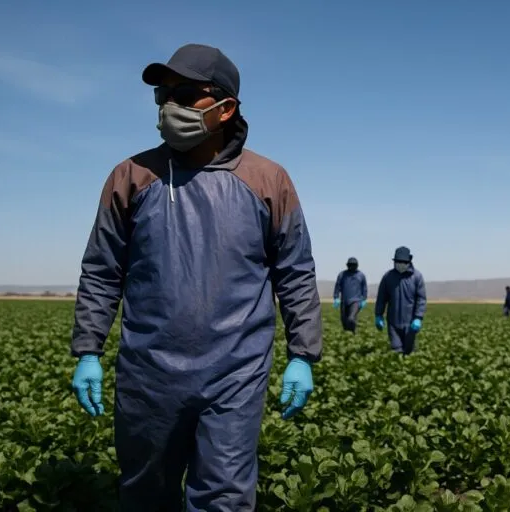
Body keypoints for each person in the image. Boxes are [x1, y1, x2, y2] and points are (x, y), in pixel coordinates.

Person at [68, 43, 322, 511]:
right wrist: (88, 349)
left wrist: (303, 354)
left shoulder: (268, 180)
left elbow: (295, 272)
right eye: (164, 94)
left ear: (226, 108)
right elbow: (103, 270)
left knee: (223, 498)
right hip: (149, 372)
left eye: (185, 93)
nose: (170, 106)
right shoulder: (131, 176)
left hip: (235, 372)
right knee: (146, 493)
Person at [374, 246, 427, 355]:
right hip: (393, 321)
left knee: (409, 351)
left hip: (410, 322)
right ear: (394, 262)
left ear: (409, 261)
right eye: (398, 262)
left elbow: (421, 299)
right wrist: (379, 315)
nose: (400, 264)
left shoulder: (417, 277)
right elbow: (381, 297)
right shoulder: (388, 276)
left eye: (403, 262)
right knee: (396, 350)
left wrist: (418, 318)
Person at [333, 257, 368, 334]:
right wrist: (336, 298)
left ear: (357, 265)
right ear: (347, 265)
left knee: (351, 318)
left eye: (354, 265)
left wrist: (364, 299)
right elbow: (337, 286)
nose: (352, 266)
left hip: (356, 301)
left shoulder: (361, 275)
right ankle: (348, 335)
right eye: (350, 265)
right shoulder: (342, 275)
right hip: (344, 301)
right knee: (344, 321)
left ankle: (353, 333)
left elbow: (364, 288)